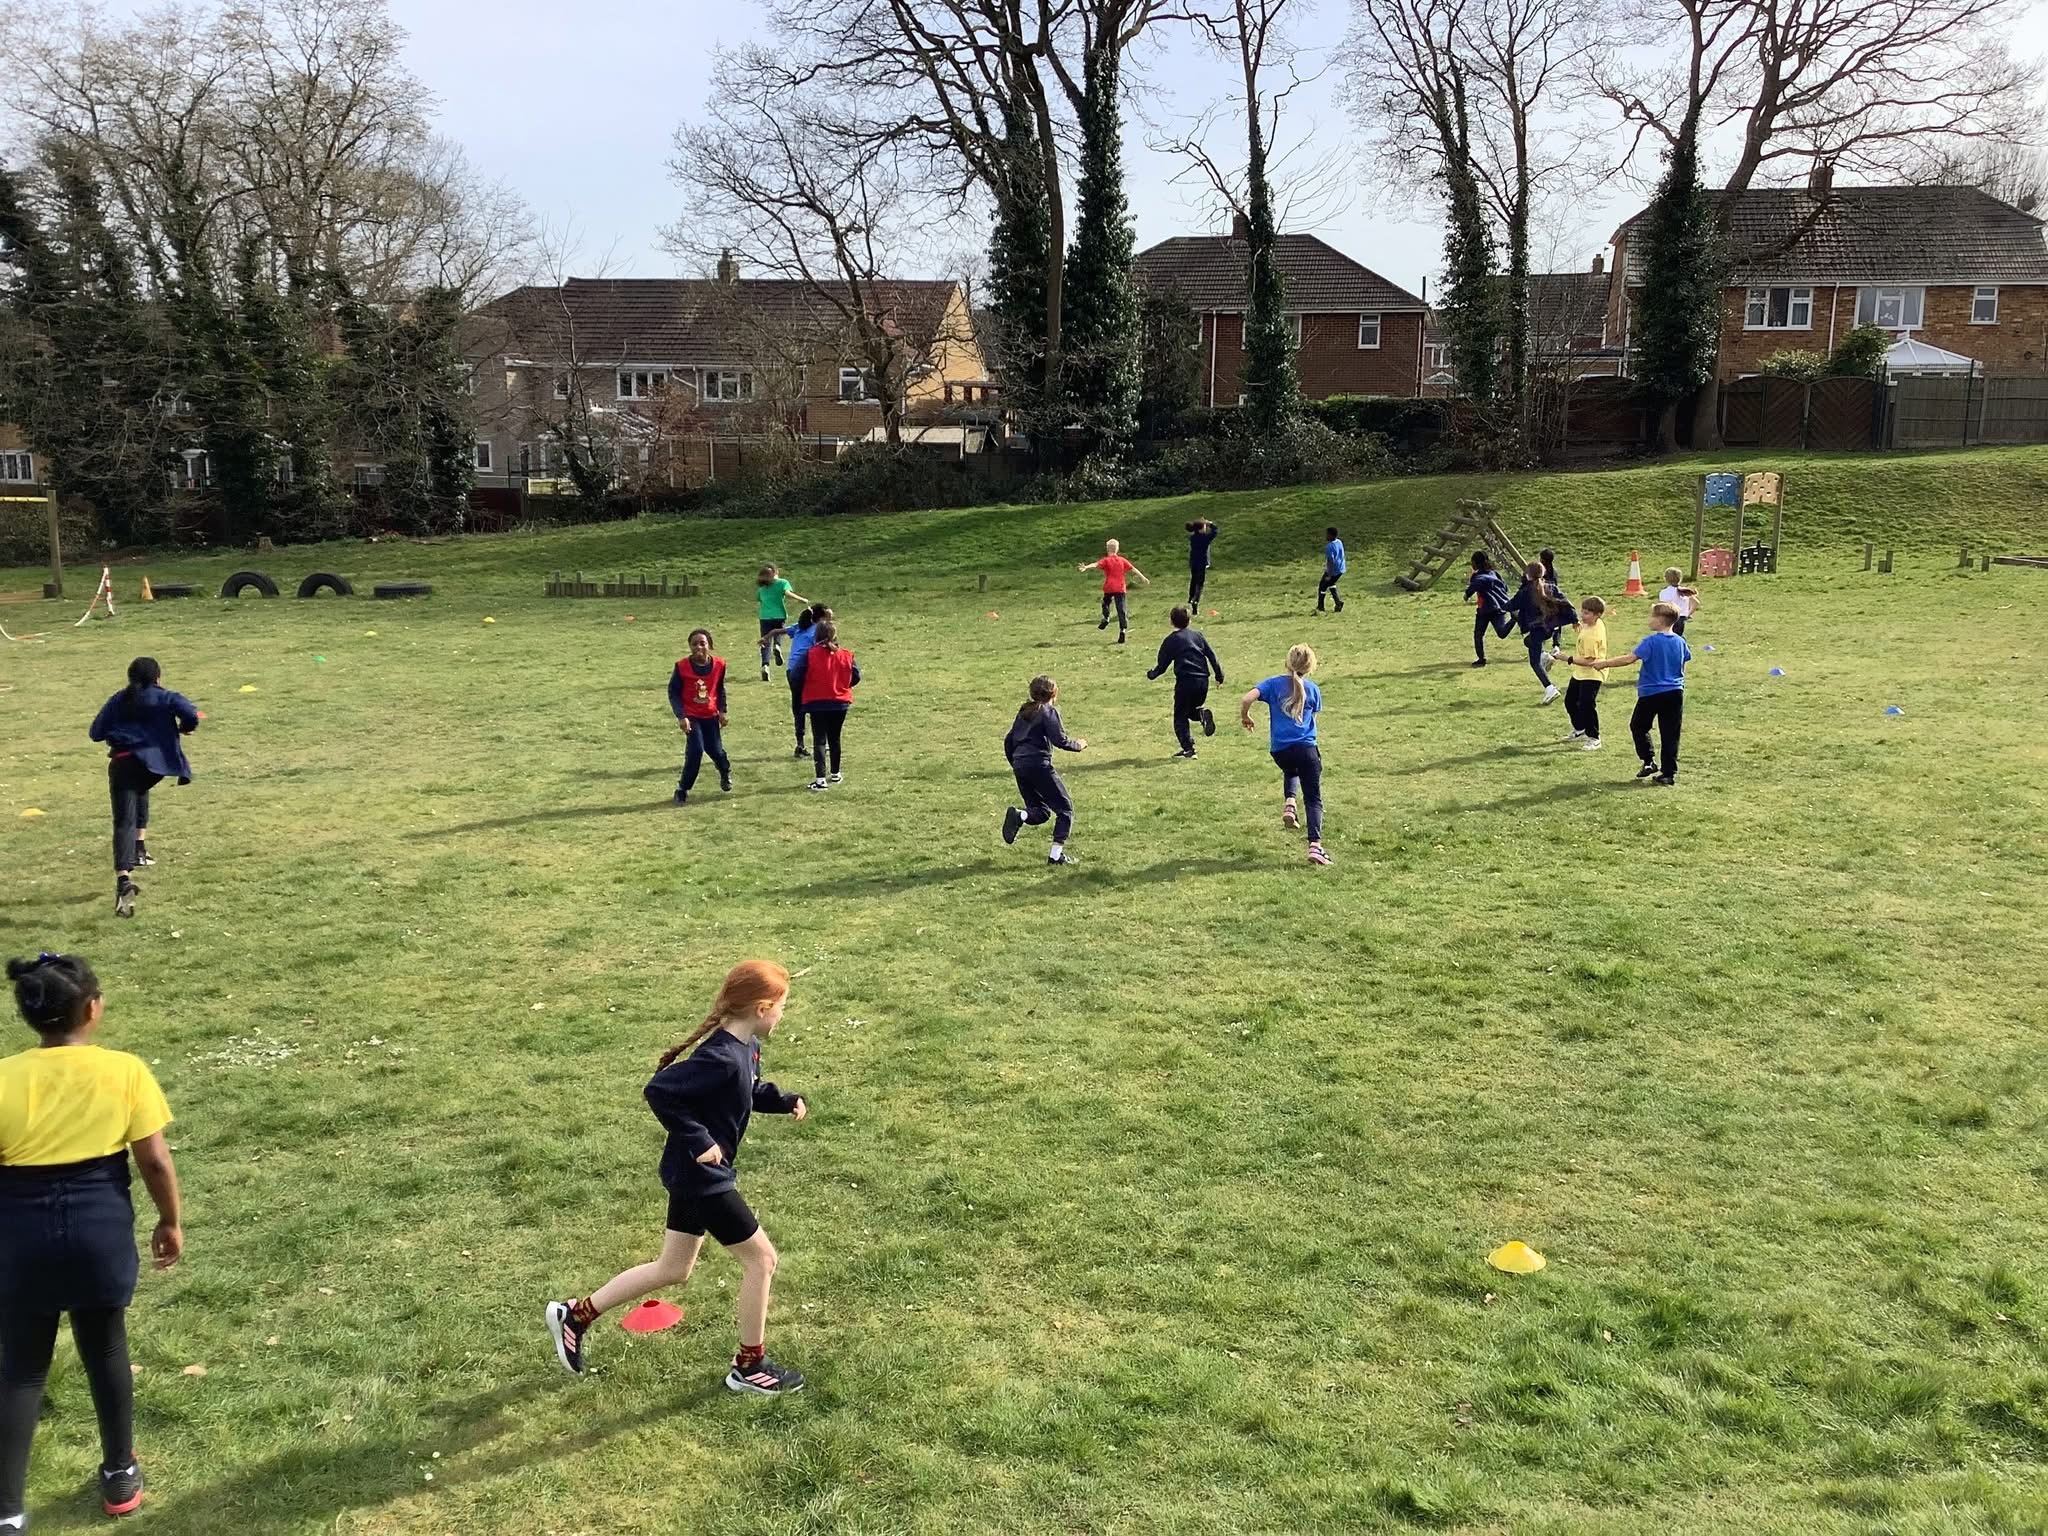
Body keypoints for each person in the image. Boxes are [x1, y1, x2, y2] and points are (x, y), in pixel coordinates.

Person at [545, 960, 809, 1396]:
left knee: (673, 1268)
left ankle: (576, 1315)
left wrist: (783, 1100)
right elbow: (660, 1090)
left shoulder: (743, 1048)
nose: (783, 1014)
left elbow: (746, 1090)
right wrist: (698, 1138)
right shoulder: (719, 1056)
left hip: (692, 1176)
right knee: (762, 1260)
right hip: (704, 1179)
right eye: (782, 1006)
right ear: (762, 1008)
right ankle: (749, 1366)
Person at [2, 954, 183, 1527]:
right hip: (98, 1231)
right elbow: (154, 1161)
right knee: (105, 1348)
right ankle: (120, 1473)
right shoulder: (124, 1071)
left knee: (22, 1368)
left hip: (20, 1235)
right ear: (92, 1009)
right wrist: (169, 1220)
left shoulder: (3, 1077)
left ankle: (7, 1510)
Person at [87, 658, 198, 920]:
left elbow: (95, 733)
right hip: (155, 766)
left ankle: (123, 878)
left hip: (124, 762)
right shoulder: (166, 697)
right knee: (140, 787)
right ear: (158, 677)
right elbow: (191, 714)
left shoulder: (119, 699)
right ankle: (139, 848)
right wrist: (184, 728)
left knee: (123, 820)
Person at [1239, 645, 1330, 867]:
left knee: (1291, 769)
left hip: (1280, 750)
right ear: (1310, 667)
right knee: (1313, 798)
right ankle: (1315, 847)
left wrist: (1246, 716)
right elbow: (1313, 721)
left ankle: (1290, 802)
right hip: (1306, 750)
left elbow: (1246, 698)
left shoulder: (1272, 684)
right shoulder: (1313, 689)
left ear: (1287, 662)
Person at [1584, 602, 1692, 785]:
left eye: (1652, 616)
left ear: (1660, 620)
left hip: (1651, 693)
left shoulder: (1651, 641)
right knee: (1670, 733)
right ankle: (1668, 774)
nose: (1649, 620)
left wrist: (1604, 663)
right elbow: (1684, 661)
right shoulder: (1681, 642)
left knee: (1639, 726)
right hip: (1675, 692)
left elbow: (1629, 659)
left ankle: (1648, 760)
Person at [1001, 676, 1086, 865]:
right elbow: (1060, 740)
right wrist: (1078, 745)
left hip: (1020, 765)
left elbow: (1009, 740)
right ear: (1054, 694)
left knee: (1041, 811)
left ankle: (1020, 815)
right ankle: (1055, 856)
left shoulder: (1024, 712)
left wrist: (1016, 763)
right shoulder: (1048, 711)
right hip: (1038, 764)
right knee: (1065, 810)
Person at [1146, 607, 1225, 758]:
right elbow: (1211, 655)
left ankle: (1189, 749)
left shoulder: (1171, 640)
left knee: (1180, 716)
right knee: (1191, 711)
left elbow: (1162, 664)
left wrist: (1152, 674)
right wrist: (1219, 675)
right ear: (1189, 620)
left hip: (1186, 681)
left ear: (1171, 621)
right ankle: (1201, 714)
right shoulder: (1198, 636)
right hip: (1202, 680)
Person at [668, 628, 731, 805]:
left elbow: (720, 688)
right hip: (691, 716)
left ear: (709, 645)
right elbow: (673, 692)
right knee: (695, 751)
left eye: (702, 643)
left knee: (715, 750)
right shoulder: (681, 667)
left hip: (710, 715)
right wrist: (681, 716)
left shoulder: (719, 665)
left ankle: (725, 772)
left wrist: (722, 711)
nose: (698, 647)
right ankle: (682, 789)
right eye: (694, 644)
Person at [799, 619, 860, 790]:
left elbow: (797, 674)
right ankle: (835, 773)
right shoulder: (846, 655)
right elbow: (856, 676)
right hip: (840, 701)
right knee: (835, 738)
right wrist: (843, 685)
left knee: (819, 740)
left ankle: (820, 779)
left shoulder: (810, 654)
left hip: (817, 701)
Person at [764, 606, 830, 759]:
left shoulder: (800, 626)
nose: (829, 620)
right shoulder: (818, 630)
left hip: (792, 671)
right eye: (827, 617)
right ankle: (821, 743)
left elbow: (776, 631)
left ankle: (800, 744)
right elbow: (822, 650)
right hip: (805, 670)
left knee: (798, 708)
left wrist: (766, 637)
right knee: (817, 705)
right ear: (820, 618)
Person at [1502, 560, 1572, 704]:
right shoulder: (1549, 587)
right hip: (1549, 628)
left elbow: (1510, 606)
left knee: (1534, 663)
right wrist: (1574, 619)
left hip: (1536, 629)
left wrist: (1502, 601)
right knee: (1528, 641)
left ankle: (1549, 688)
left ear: (1527, 575)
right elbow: (1565, 602)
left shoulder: (1525, 592)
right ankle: (1544, 656)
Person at [1553, 595, 1609, 751]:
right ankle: (1580, 730)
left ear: (1597, 615)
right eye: (1582, 611)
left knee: (1586, 705)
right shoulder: (1595, 624)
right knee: (1570, 701)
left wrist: (1567, 658)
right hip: (1580, 673)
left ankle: (1594, 738)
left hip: (1593, 673)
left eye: (1586, 613)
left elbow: (1590, 661)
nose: (1582, 615)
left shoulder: (1592, 636)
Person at [1078, 539, 1149, 644]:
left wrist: (1086, 567)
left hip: (1109, 587)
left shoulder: (1106, 560)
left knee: (1105, 603)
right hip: (1120, 588)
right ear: (1117, 549)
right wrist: (1143, 578)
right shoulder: (1122, 560)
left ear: (1107, 549)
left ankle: (1106, 617)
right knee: (1121, 609)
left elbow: (1096, 564)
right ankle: (1123, 630)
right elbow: (1133, 569)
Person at [755, 565, 810, 683]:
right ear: (776, 572)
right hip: (779, 614)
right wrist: (801, 599)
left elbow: (760, 600)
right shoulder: (782, 583)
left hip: (764, 617)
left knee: (765, 641)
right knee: (778, 632)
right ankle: (777, 645)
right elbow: (788, 593)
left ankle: (765, 665)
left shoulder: (761, 589)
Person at [1463, 552, 1512, 667]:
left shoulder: (1478, 577)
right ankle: (1514, 619)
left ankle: (1481, 659)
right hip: (1498, 608)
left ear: (1476, 563)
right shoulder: (1494, 573)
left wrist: (1467, 595)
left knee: (1478, 635)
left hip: (1485, 609)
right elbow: (1505, 587)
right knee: (1501, 633)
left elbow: (1473, 586)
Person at [1184, 520, 1219, 609]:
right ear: (1201, 529)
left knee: (1193, 580)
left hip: (1193, 562)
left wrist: (1203, 524)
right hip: (1202, 563)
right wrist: (1210, 524)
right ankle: (1195, 600)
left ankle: (1191, 597)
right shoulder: (1205, 538)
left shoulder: (1193, 538)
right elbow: (1215, 531)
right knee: (1200, 583)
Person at [1657, 568, 1701, 636]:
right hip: (1681, 618)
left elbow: (1663, 607)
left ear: (1666, 579)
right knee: (1678, 636)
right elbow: (1696, 602)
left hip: (1670, 619)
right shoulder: (1684, 592)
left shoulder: (1664, 592)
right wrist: (1688, 614)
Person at [1316, 528, 1346, 613]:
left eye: (1327, 534)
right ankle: (1338, 603)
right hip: (1341, 569)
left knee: (1322, 586)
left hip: (1333, 570)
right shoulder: (1339, 542)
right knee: (1331, 584)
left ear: (1331, 535)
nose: (1326, 536)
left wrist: (1329, 574)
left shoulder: (1329, 546)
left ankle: (1320, 607)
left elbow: (1331, 561)